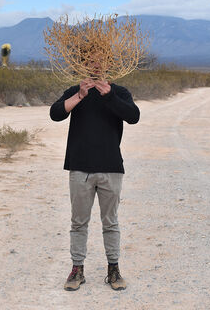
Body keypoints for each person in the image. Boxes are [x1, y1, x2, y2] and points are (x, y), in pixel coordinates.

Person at [49, 52, 140, 291]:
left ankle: (113, 270)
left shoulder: (119, 92)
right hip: (80, 167)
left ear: (109, 64)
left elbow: (133, 117)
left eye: (101, 60)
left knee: (110, 222)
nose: (96, 64)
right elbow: (56, 113)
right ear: (82, 63)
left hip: (111, 168)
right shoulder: (75, 91)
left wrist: (109, 95)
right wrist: (80, 95)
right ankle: (77, 270)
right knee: (79, 222)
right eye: (90, 60)